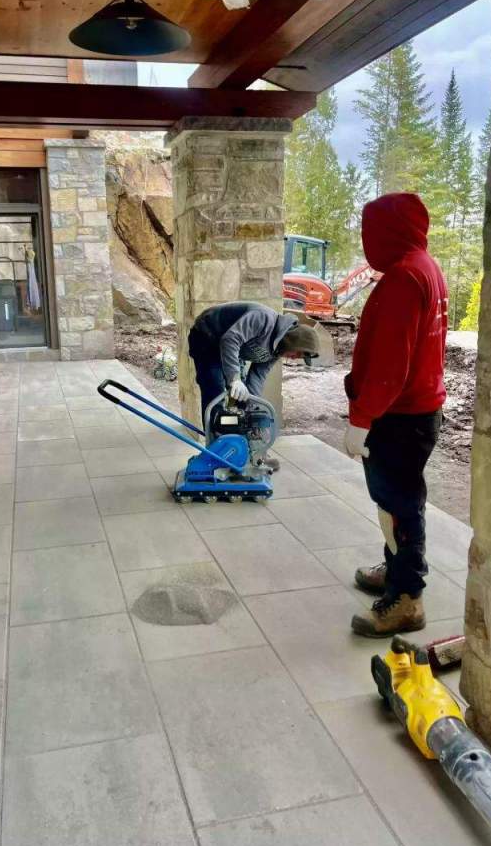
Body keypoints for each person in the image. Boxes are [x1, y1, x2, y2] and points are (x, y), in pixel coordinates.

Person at [343, 192, 448, 637]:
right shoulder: (426, 266)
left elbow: (390, 365)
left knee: (398, 507)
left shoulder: (405, 277)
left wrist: (361, 419)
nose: (369, 242)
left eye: (372, 231)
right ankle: (397, 570)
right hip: (418, 410)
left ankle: (407, 599)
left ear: (388, 231)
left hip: (399, 416)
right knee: (399, 503)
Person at [188, 302, 319, 465]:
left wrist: (254, 409)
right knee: (215, 390)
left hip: (230, 349)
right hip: (207, 336)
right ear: (293, 339)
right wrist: (234, 378)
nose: (294, 357)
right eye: (297, 353)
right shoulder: (262, 319)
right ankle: (215, 453)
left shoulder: (275, 352)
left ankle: (247, 451)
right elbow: (231, 339)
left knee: (242, 401)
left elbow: (257, 377)